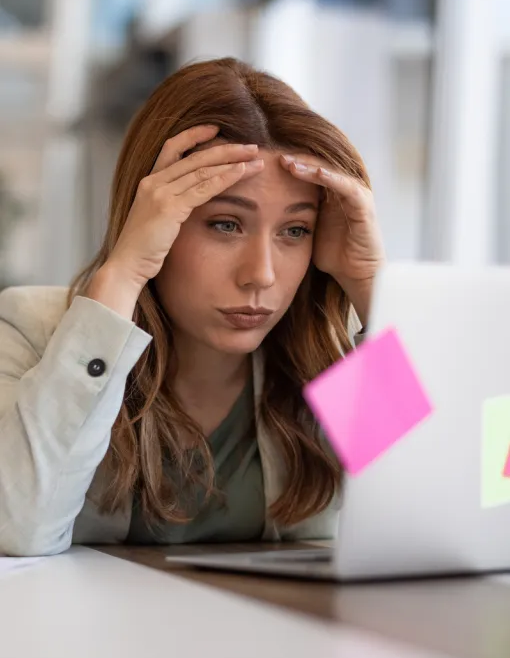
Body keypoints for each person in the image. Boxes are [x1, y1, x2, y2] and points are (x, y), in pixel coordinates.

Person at [0, 57, 384, 556]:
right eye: (225, 223)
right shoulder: (30, 332)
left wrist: (374, 287)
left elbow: (441, 524)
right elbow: (15, 528)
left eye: (295, 230)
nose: (261, 274)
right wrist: (122, 272)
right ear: (153, 220)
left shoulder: (334, 361)